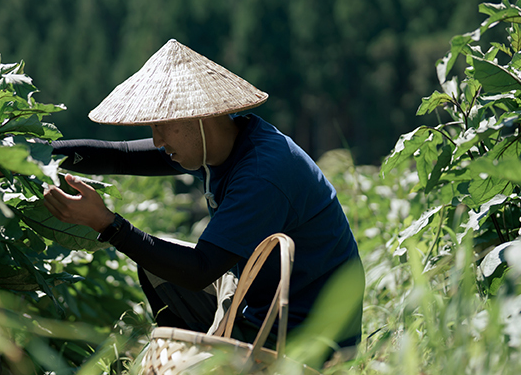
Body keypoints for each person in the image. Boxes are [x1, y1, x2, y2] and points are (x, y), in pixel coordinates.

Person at [41, 39, 362, 349]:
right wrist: (29, 154)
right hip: (264, 308)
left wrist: (108, 225)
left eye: (161, 126)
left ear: (199, 118)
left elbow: (199, 270)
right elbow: (119, 155)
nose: (156, 141)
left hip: (308, 340)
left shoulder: (263, 174)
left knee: (171, 267)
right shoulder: (219, 146)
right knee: (157, 267)